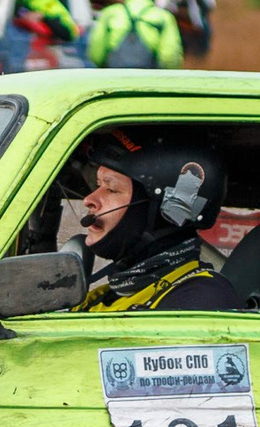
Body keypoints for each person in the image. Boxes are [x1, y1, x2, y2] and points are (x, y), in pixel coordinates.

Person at [71, 132, 240, 312]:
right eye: (98, 186)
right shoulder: (104, 297)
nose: (89, 199)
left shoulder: (201, 298)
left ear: (165, 209)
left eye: (111, 189)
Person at [88, 0, 186, 69]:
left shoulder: (110, 14)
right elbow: (169, 59)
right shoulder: (164, 17)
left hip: (116, 81)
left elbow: (96, 55)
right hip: (149, 82)